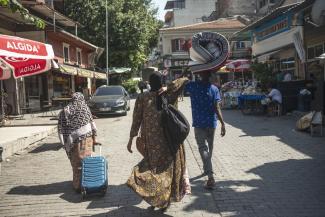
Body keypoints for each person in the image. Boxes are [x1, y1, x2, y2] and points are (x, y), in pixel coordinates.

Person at [126, 72, 190, 212]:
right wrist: (169, 87)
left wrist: (131, 139)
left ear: (149, 82)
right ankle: (163, 201)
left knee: (155, 173)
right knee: (167, 173)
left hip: (154, 145)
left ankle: (159, 201)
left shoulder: (144, 97)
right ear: (163, 81)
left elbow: (136, 120)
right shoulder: (170, 94)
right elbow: (184, 79)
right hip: (170, 143)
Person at [181, 70, 226, 189]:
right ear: (210, 76)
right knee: (209, 148)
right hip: (211, 123)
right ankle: (208, 169)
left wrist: (185, 72)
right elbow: (217, 107)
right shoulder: (214, 89)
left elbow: (179, 82)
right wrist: (222, 123)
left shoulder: (193, 86)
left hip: (199, 124)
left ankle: (210, 175)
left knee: (202, 148)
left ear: (199, 75)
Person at [58, 92, 97, 192]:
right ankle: (87, 183)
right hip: (86, 139)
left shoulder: (65, 110)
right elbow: (92, 124)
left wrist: (64, 142)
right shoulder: (85, 108)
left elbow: (61, 128)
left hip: (72, 141)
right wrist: (95, 139)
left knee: (76, 163)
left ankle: (78, 185)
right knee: (86, 162)